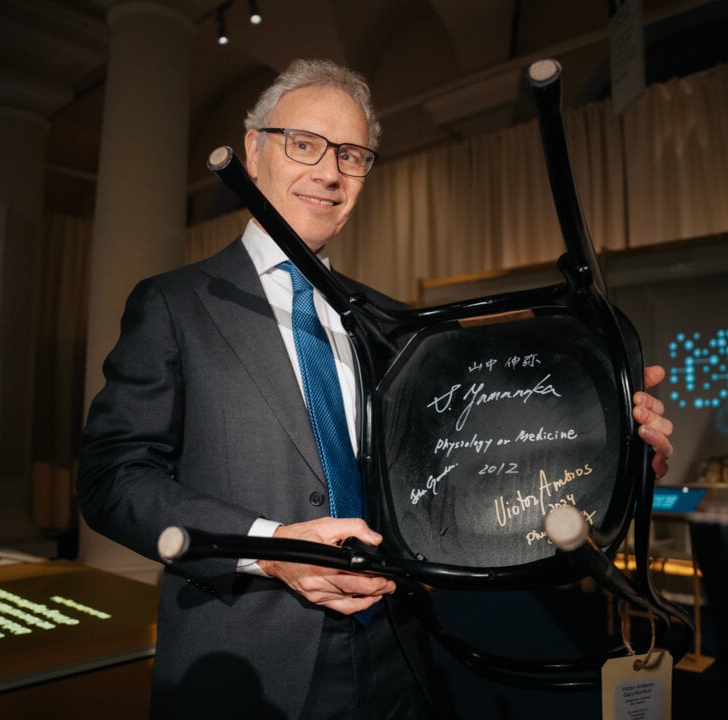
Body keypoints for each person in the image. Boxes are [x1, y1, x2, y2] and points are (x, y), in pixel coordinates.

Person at [77, 59, 675, 720]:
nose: (330, 173)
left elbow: (468, 466)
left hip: (401, 658)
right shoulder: (175, 304)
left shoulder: (398, 325)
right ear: (253, 150)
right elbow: (112, 478)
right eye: (305, 144)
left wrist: (605, 441)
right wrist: (272, 550)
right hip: (249, 669)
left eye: (354, 156)